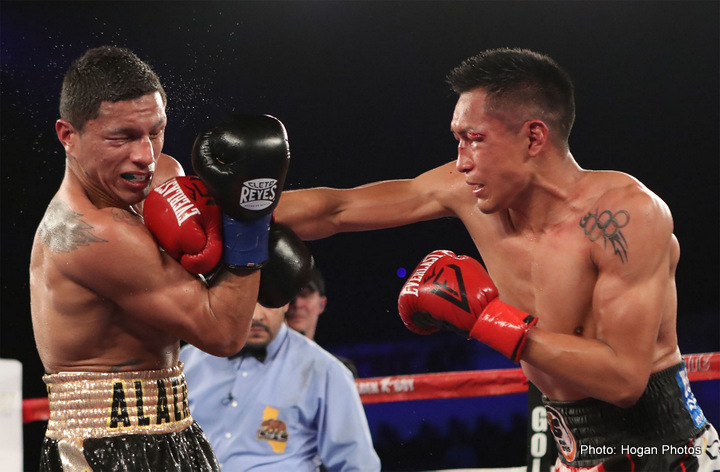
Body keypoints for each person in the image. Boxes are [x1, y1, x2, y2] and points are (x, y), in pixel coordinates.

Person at [274, 47, 719, 471]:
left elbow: (624, 381)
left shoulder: (623, 217)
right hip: (575, 454)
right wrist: (234, 208)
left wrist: (490, 320)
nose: (461, 161)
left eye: (475, 139)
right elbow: (339, 209)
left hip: (666, 449)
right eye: (458, 140)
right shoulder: (466, 191)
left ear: (533, 136)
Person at [30, 46, 289, 471]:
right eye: (123, 137)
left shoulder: (159, 181)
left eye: (155, 132)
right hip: (99, 450)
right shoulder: (88, 233)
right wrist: (250, 227)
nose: (146, 156)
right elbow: (222, 334)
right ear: (67, 136)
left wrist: (431, 197)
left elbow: (314, 211)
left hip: (179, 432)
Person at [180, 302, 381, 472]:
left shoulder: (324, 370)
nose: (257, 315)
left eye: (268, 303)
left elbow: (357, 464)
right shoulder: (186, 362)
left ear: (286, 302)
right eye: (249, 303)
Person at [285, 266, 359, 377]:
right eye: (290, 295)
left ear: (322, 304)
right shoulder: (259, 365)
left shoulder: (340, 370)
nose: (297, 304)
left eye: (305, 295)